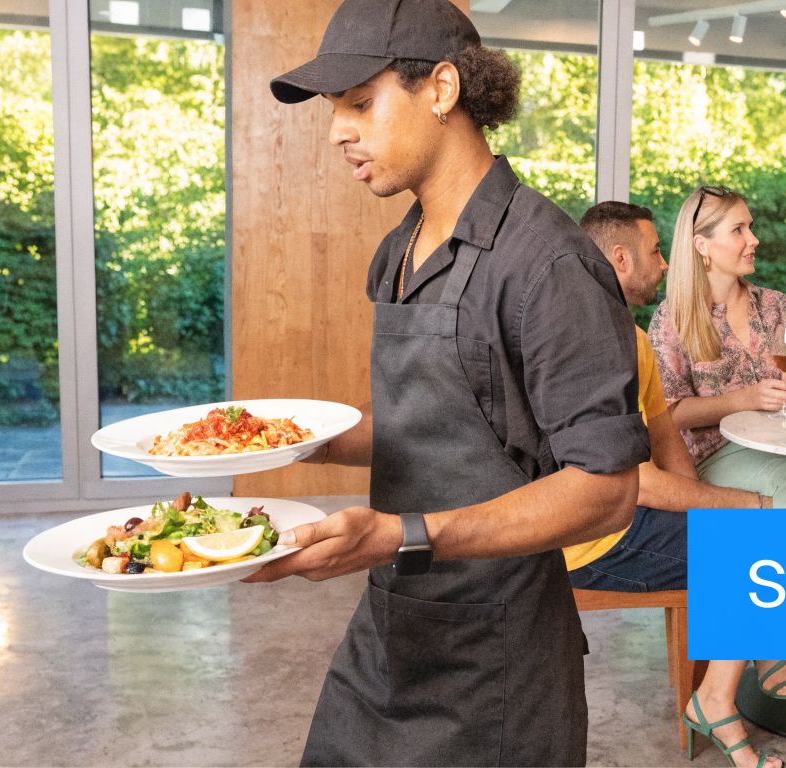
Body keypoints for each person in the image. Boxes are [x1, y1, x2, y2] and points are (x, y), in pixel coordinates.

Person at [249, 1, 649, 765]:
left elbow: (606, 488)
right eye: (336, 110)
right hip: (394, 626)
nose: (338, 130)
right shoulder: (402, 245)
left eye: (361, 104)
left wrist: (403, 533)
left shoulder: (549, 265)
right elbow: (424, 423)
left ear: (440, 89)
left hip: (497, 660)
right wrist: (291, 438)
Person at [569, 201, 786, 768]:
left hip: (625, 511)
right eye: (656, 251)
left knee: (764, 526)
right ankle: (716, 699)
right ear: (620, 257)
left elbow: (665, 444)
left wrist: (727, 509)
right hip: (586, 537)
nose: (663, 263)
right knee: (754, 544)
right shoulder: (597, 342)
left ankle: (718, 693)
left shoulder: (627, 336)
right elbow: (644, 484)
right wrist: (748, 506)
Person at [647, 186, 786, 510]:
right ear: (702, 245)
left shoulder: (775, 305)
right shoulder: (673, 317)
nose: (754, 239)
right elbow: (668, 413)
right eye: (738, 230)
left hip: (778, 443)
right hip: (712, 456)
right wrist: (743, 400)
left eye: (750, 226)